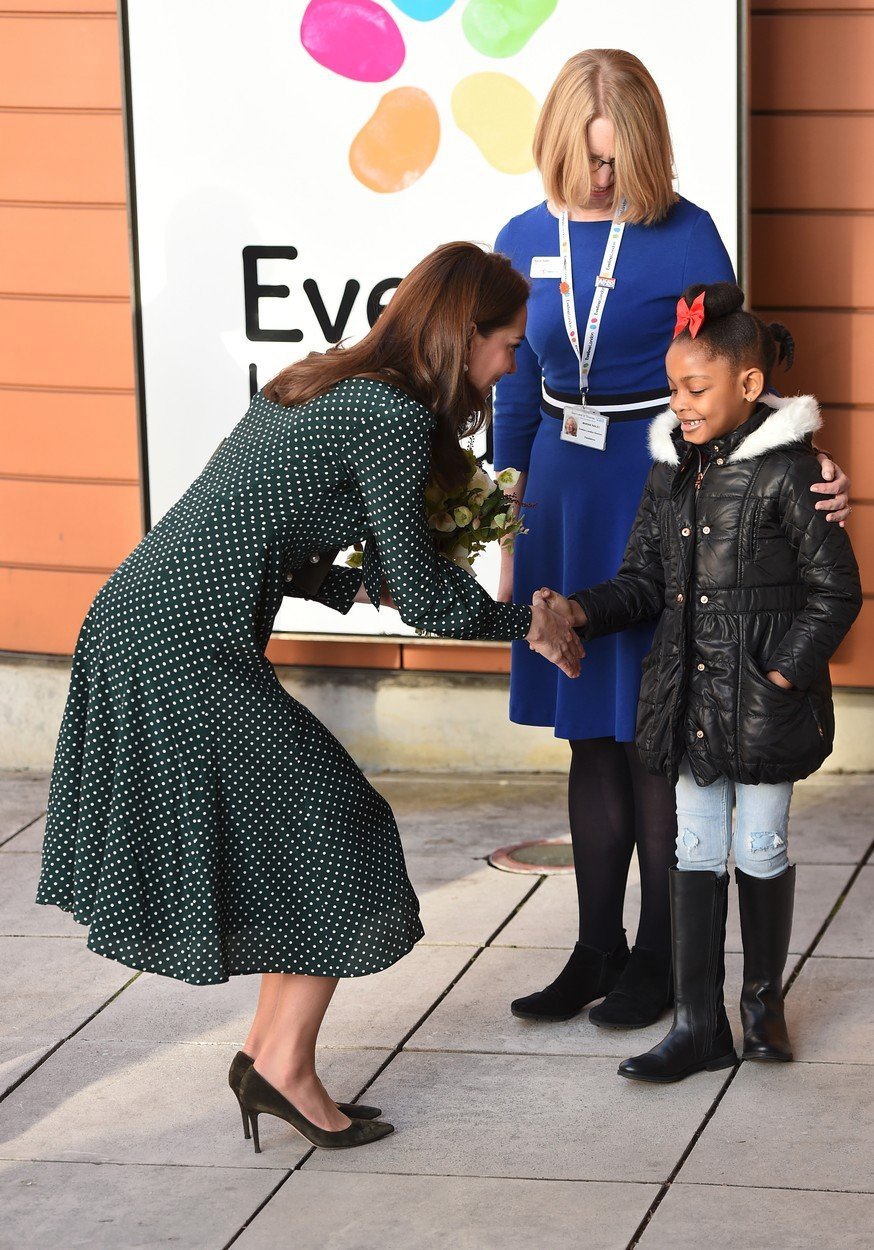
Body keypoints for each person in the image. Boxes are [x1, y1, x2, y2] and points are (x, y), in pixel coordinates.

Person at [35, 242, 582, 1153]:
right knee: (343, 831)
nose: (512, 364)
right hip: (181, 644)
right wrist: (528, 619)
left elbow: (262, 534)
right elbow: (424, 589)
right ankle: (279, 1064)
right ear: (463, 336)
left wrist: (365, 590)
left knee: (320, 831)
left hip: (147, 618)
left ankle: (270, 1058)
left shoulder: (319, 382)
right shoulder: (390, 418)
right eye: (509, 345)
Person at [493, 49, 852, 1029]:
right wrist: (501, 508)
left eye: (616, 160)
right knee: (589, 735)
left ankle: (661, 955)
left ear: (643, 146)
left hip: (657, 480)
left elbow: (736, 379)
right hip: (562, 495)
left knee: (658, 730)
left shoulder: (687, 234)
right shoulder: (522, 236)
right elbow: (516, 380)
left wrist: (798, 463)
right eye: (586, 157)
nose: (601, 178)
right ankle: (595, 947)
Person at [537, 281, 862, 1082]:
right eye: (672, 387)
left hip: (764, 709)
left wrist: (784, 670)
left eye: (694, 388)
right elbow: (643, 580)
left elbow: (837, 590)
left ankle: (762, 1005)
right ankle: (696, 1021)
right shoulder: (670, 472)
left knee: (759, 845)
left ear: (749, 386)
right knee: (692, 848)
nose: (677, 403)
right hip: (687, 703)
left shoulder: (791, 475)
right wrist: (580, 610)